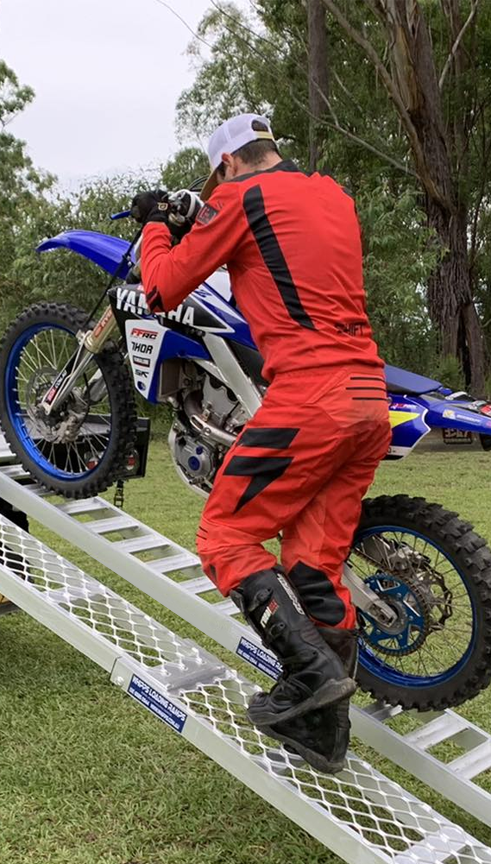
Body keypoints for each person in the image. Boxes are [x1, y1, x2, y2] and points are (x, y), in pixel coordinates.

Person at [131, 113, 390, 774]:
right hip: (368, 398)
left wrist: (159, 222)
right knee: (313, 566)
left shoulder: (241, 198)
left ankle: (310, 679)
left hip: (312, 395)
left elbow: (161, 286)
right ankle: (324, 732)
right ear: (269, 148)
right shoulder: (332, 194)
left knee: (224, 537)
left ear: (225, 166)